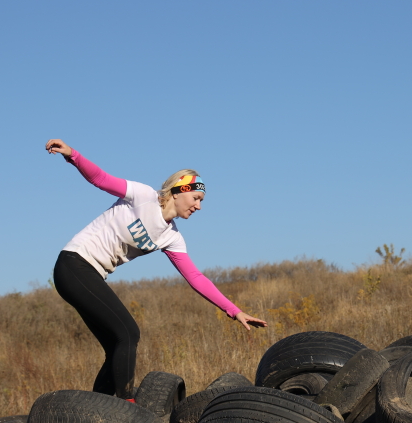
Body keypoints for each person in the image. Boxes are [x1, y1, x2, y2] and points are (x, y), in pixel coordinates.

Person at [45, 139, 267, 399]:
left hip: (92, 274)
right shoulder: (143, 196)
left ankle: (98, 409)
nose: (199, 206)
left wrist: (234, 311)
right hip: (74, 264)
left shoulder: (172, 237)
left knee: (117, 344)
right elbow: (101, 178)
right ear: (178, 190)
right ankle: (127, 403)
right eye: (196, 198)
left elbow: (195, 277)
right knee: (129, 333)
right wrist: (73, 155)